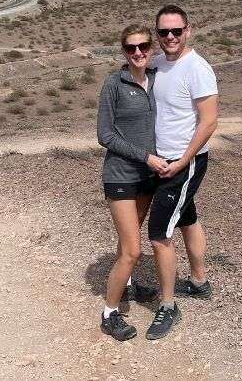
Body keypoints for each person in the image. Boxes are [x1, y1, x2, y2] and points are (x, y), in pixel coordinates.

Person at [145, 4, 219, 340]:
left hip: (182, 163)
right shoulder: (158, 64)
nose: (170, 37)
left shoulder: (198, 68)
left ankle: (168, 305)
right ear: (157, 33)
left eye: (177, 31)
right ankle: (199, 282)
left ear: (188, 30)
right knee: (186, 216)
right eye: (164, 32)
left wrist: (183, 160)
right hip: (162, 160)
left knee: (160, 232)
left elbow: (209, 121)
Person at [96, 24, 170, 341]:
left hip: (148, 177)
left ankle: (127, 285)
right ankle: (109, 313)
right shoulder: (114, 84)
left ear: (150, 47)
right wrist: (145, 156)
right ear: (123, 52)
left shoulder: (157, 80)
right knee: (133, 251)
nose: (137, 52)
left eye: (142, 46)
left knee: (130, 239)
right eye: (130, 48)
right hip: (121, 176)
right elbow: (105, 135)